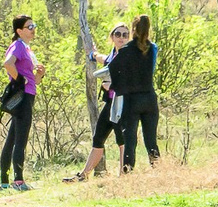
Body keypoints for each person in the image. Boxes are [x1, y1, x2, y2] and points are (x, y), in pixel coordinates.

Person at [68, 18, 158, 178]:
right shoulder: (152, 48)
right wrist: (93, 55)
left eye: (125, 33)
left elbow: (112, 69)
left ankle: (126, 174)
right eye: (118, 34)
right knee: (151, 141)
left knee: (129, 141)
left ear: (133, 31)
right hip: (150, 99)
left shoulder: (126, 51)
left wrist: (113, 85)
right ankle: (159, 172)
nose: (122, 37)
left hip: (130, 101)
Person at [0, 14, 38, 191]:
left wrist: (39, 75)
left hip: (28, 94)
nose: (33, 29)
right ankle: (18, 181)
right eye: (29, 26)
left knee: (12, 137)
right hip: (22, 97)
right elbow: (8, 64)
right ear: (19, 31)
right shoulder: (18, 46)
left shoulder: (26, 48)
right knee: (20, 138)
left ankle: (4, 181)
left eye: (33, 25)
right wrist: (20, 80)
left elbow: (34, 81)